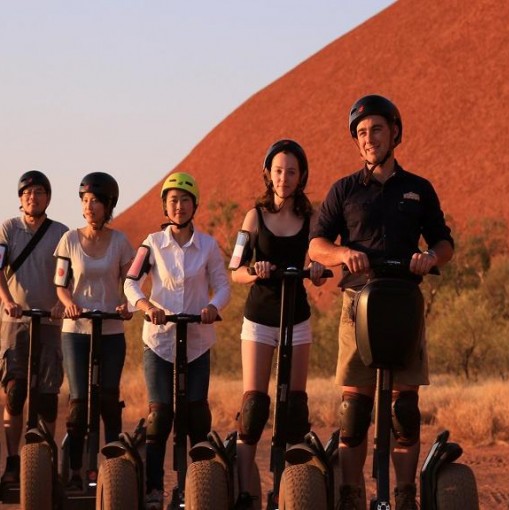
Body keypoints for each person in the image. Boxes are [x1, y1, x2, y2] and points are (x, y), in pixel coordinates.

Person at [308, 94, 455, 510]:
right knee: (354, 410)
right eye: (361, 133)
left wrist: (431, 257)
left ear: (394, 132)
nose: (368, 138)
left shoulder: (417, 189)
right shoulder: (345, 190)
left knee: (404, 410)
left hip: (405, 302)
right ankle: (352, 496)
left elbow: (444, 241)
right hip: (359, 302)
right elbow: (316, 244)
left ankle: (405, 497)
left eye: (375, 129)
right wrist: (341, 255)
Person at [124, 171, 231, 510]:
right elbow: (130, 283)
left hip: (197, 340)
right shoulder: (151, 244)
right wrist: (146, 306)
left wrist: (213, 307)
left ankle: (196, 490)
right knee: (160, 416)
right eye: (173, 200)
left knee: (197, 417)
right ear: (165, 206)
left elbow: (224, 285)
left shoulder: (209, 245)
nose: (179, 206)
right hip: (160, 340)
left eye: (185, 200)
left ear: (194, 205)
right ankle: (155, 490)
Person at [230, 140, 327, 509]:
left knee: (294, 410)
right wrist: (254, 272)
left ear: (301, 176)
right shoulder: (253, 217)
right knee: (254, 408)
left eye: (291, 171)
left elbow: (319, 263)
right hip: (259, 319)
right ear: (268, 174)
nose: (284, 178)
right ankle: (244, 492)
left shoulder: (312, 219)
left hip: (297, 319)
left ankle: (288, 493)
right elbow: (235, 269)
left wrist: (317, 270)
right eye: (278, 171)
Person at [54, 172, 134, 490]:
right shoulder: (70, 240)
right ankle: (76, 470)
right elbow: (60, 284)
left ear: (108, 205)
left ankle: (113, 469)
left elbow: (130, 282)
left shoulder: (120, 242)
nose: (89, 207)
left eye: (95, 202)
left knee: (109, 400)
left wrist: (128, 305)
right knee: (79, 402)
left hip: (111, 330)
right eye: (85, 201)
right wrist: (70, 303)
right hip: (76, 330)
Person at [0, 171, 69, 484]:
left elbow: (70, 275)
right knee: (14, 394)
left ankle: (44, 462)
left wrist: (62, 303)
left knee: (47, 398)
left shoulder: (61, 233)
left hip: (51, 323)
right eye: (27, 192)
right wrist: (6, 300)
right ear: (20, 198)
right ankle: (14, 462)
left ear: (48, 197)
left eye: (39, 192)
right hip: (15, 322)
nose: (33, 197)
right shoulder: (8, 229)